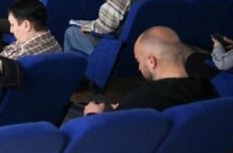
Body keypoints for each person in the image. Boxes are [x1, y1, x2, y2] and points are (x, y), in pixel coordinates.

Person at [84, 26, 216, 115]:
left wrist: (93, 115)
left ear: (151, 61)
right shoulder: (207, 88)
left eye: (139, 61)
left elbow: (103, 134)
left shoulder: (141, 97)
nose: (139, 67)